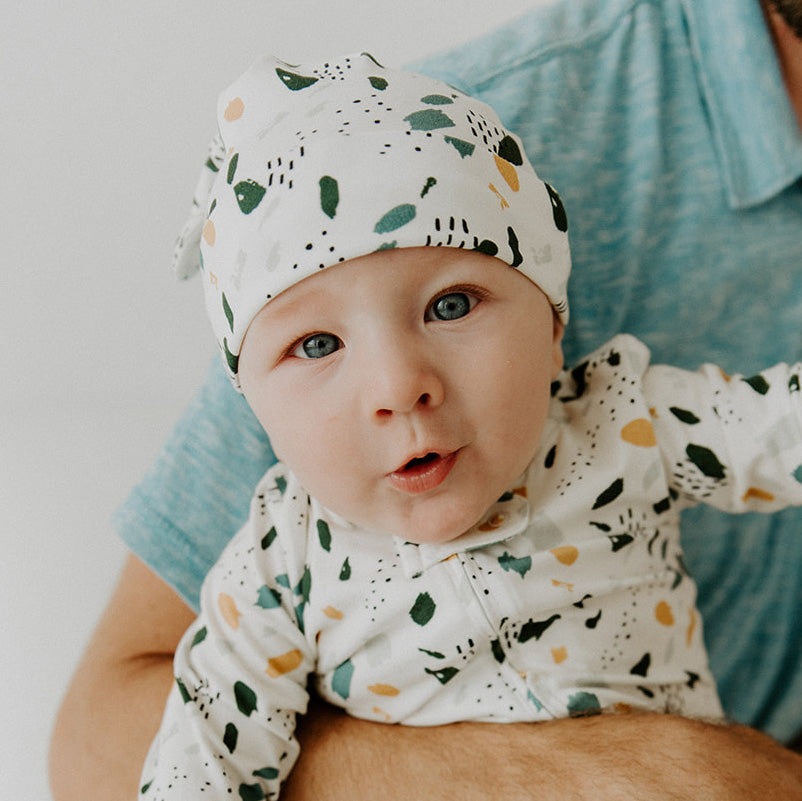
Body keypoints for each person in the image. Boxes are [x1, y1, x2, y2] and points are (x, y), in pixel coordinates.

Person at [49, 1, 802, 800]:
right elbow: (179, 764)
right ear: (258, 409)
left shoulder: (627, 422)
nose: (398, 383)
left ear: (554, 325)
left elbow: (773, 430)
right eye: (317, 346)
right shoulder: (276, 569)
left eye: (451, 307)